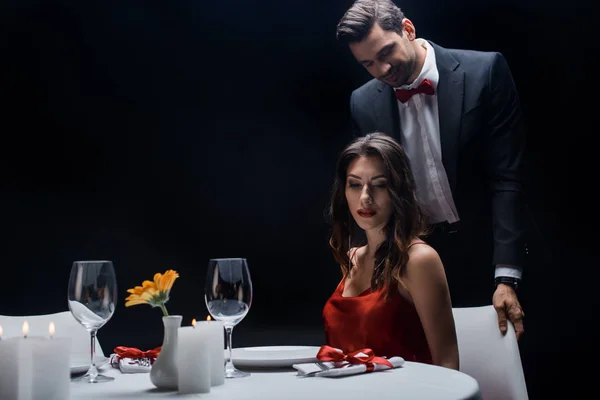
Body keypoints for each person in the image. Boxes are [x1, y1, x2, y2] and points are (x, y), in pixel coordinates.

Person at [335, 0, 534, 340]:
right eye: (368, 63)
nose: (382, 70)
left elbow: (508, 179)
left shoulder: (484, 72)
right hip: (415, 258)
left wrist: (506, 276)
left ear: (408, 30)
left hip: (489, 249)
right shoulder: (363, 102)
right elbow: (367, 187)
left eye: (386, 53)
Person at [323, 132, 459, 370]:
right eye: (355, 184)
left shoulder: (419, 260)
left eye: (380, 185)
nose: (365, 197)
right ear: (343, 191)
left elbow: (447, 362)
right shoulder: (352, 257)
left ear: (399, 191)